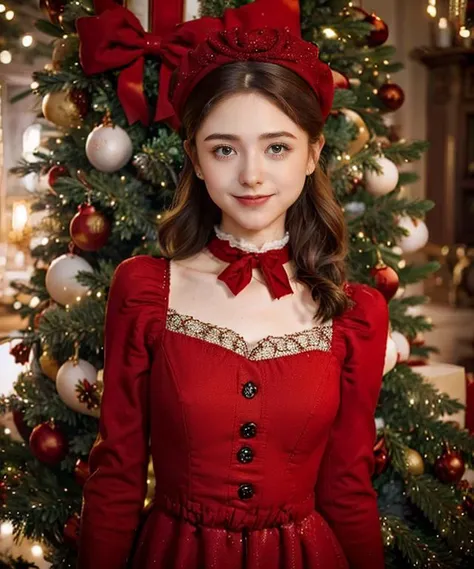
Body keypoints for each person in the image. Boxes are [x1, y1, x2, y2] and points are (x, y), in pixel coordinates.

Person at [76, 1, 389, 568]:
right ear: (194, 156)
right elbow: (116, 477)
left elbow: (347, 490)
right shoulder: (145, 289)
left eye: (277, 146)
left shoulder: (355, 314)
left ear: (313, 153)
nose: (250, 174)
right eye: (224, 148)